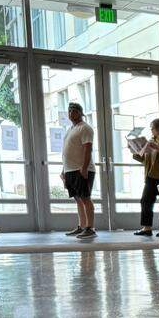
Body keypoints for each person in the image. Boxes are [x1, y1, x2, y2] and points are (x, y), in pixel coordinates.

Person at [61, 102, 97, 240]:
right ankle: (82, 226)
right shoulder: (71, 129)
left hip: (81, 169)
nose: (71, 113)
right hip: (70, 169)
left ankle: (90, 228)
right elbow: (67, 151)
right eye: (69, 111)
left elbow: (88, 149)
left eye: (74, 110)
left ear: (80, 113)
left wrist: (84, 168)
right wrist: (64, 170)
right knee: (78, 199)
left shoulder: (85, 128)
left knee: (85, 198)